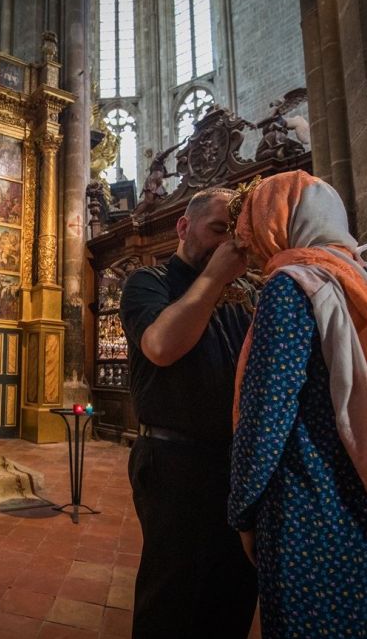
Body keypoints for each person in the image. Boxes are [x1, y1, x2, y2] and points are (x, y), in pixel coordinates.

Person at [227, 170, 367, 637]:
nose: (249, 244)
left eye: (254, 223)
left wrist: (242, 509)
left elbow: (265, 418)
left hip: (310, 509)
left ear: (278, 220)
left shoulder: (290, 287)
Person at [119, 186, 258, 638]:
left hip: (236, 464)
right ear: (184, 227)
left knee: (234, 595)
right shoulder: (149, 282)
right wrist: (215, 279)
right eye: (218, 229)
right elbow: (161, 346)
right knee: (173, 601)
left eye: (236, 234)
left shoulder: (244, 296)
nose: (227, 243)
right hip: (173, 464)